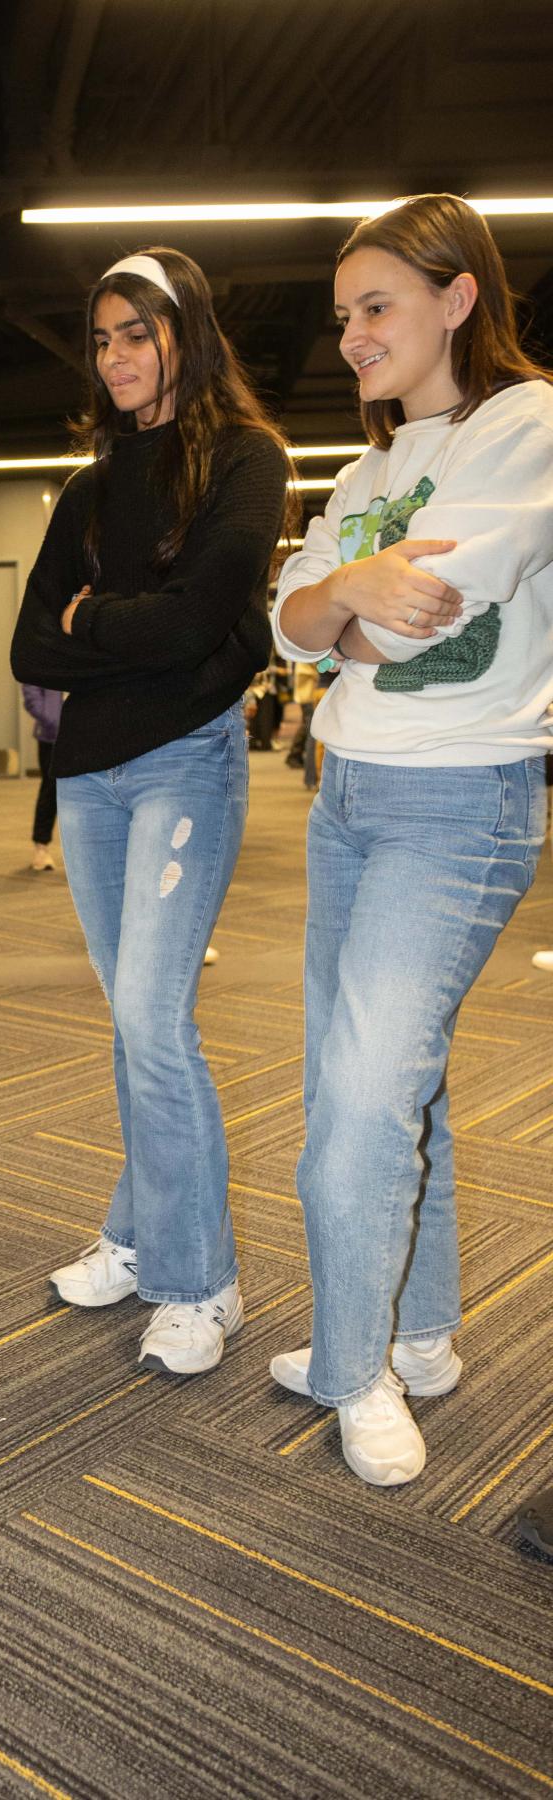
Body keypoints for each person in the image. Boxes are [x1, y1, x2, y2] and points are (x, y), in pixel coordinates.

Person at [269, 193, 553, 1486]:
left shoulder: (529, 426)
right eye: (342, 317)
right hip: (351, 800)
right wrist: (338, 594)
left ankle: (355, 1366)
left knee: (358, 1103)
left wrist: (350, 608)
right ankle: (417, 1330)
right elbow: (294, 624)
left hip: (463, 802)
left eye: (376, 305)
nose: (352, 337)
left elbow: (410, 624)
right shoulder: (369, 469)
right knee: (397, 1081)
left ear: (459, 297)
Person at [10, 249, 290, 1373]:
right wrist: (136, 624)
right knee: (133, 1021)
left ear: (188, 333)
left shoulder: (246, 459)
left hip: (184, 767)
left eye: (140, 331)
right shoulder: (86, 488)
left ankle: (202, 1280)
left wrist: (96, 627)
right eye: (105, 337)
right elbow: (30, 639)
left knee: (155, 1023)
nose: (120, 355)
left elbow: (212, 616)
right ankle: (136, 1232)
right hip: (89, 780)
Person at [21, 684, 62, 870]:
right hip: (51, 736)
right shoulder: (50, 657)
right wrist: (50, 719)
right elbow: (31, 692)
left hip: (86, 733)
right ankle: (41, 848)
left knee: (92, 791)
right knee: (50, 788)